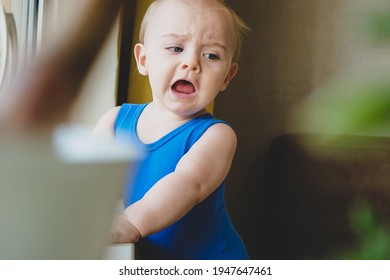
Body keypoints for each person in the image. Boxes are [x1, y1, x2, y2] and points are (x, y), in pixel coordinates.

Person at [92, 0, 250, 259]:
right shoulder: (115, 121)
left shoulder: (216, 136)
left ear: (227, 78)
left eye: (211, 55)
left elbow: (187, 184)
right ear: (144, 60)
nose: (191, 63)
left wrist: (129, 223)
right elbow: (87, 179)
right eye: (176, 48)